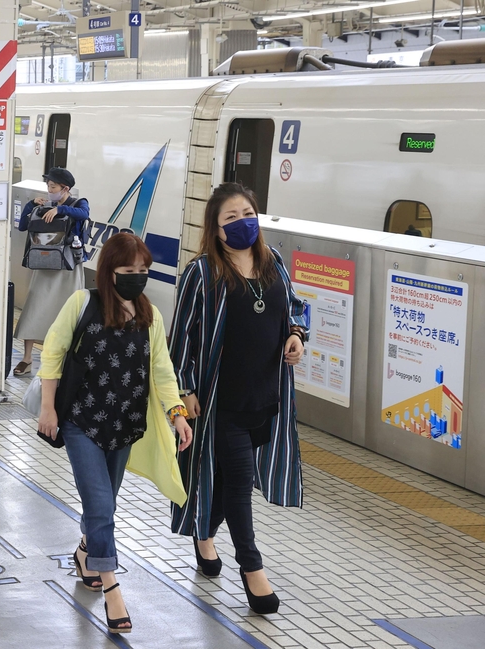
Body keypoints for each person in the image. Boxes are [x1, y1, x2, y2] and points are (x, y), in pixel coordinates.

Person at [37, 233, 192, 635]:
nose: (137, 278)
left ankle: (86, 552)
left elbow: (162, 370)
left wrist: (177, 415)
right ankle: (112, 588)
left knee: (103, 506)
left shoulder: (150, 315)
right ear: (109, 272)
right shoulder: (83, 304)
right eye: (128, 271)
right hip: (81, 422)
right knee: (102, 506)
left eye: (143, 271)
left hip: (125, 426)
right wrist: (48, 407)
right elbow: (52, 352)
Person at [168, 182, 307, 616]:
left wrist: (297, 337)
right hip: (220, 402)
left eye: (247, 213)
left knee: (228, 481)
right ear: (215, 227)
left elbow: (297, 309)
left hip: (267, 397)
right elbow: (182, 337)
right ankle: (253, 572)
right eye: (230, 217)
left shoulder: (274, 263)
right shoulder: (203, 273)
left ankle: (203, 534)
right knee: (241, 482)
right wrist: (186, 389)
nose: (242, 222)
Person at [13, 167, 89, 376]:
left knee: (69, 312)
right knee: (35, 307)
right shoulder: (45, 205)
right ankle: (27, 358)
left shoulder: (78, 204)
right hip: (44, 265)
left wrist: (61, 210)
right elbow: (23, 226)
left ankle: (64, 360)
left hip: (68, 268)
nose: (49, 190)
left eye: (53, 187)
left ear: (65, 189)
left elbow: (84, 214)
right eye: (48, 186)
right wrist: (32, 205)